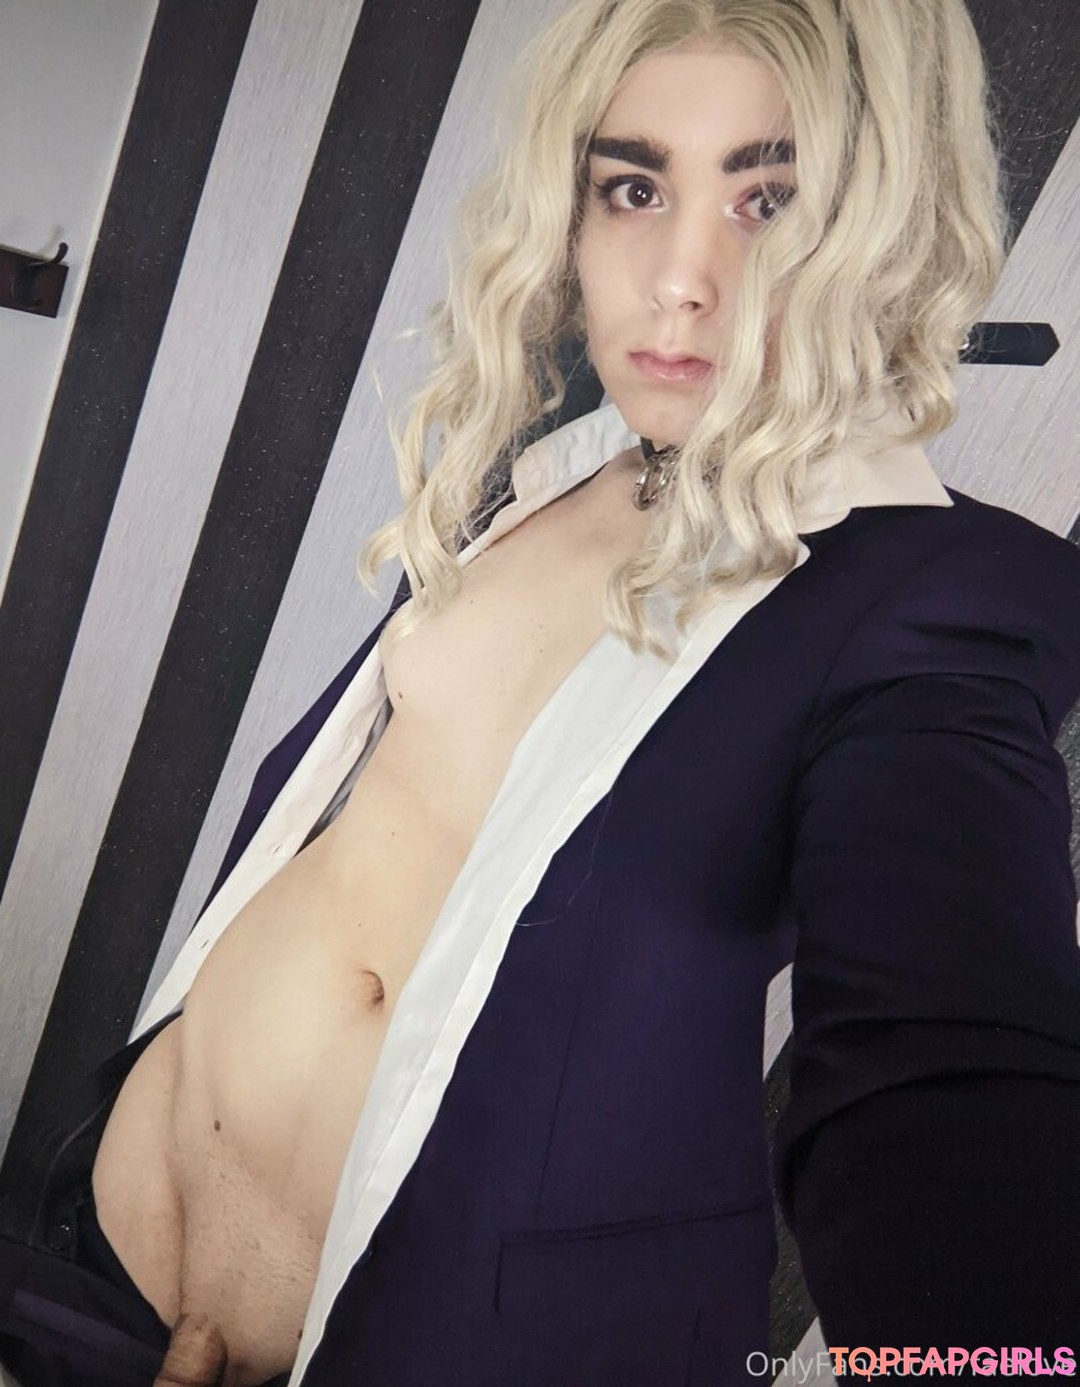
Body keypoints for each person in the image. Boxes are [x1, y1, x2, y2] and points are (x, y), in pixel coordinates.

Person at [2, 0, 1079, 1383]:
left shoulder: (938, 602)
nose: (680, 280)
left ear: (888, 231)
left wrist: (997, 1361)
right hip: (105, 1237)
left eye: (770, 199)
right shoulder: (547, 466)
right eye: (635, 187)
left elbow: (947, 1081)